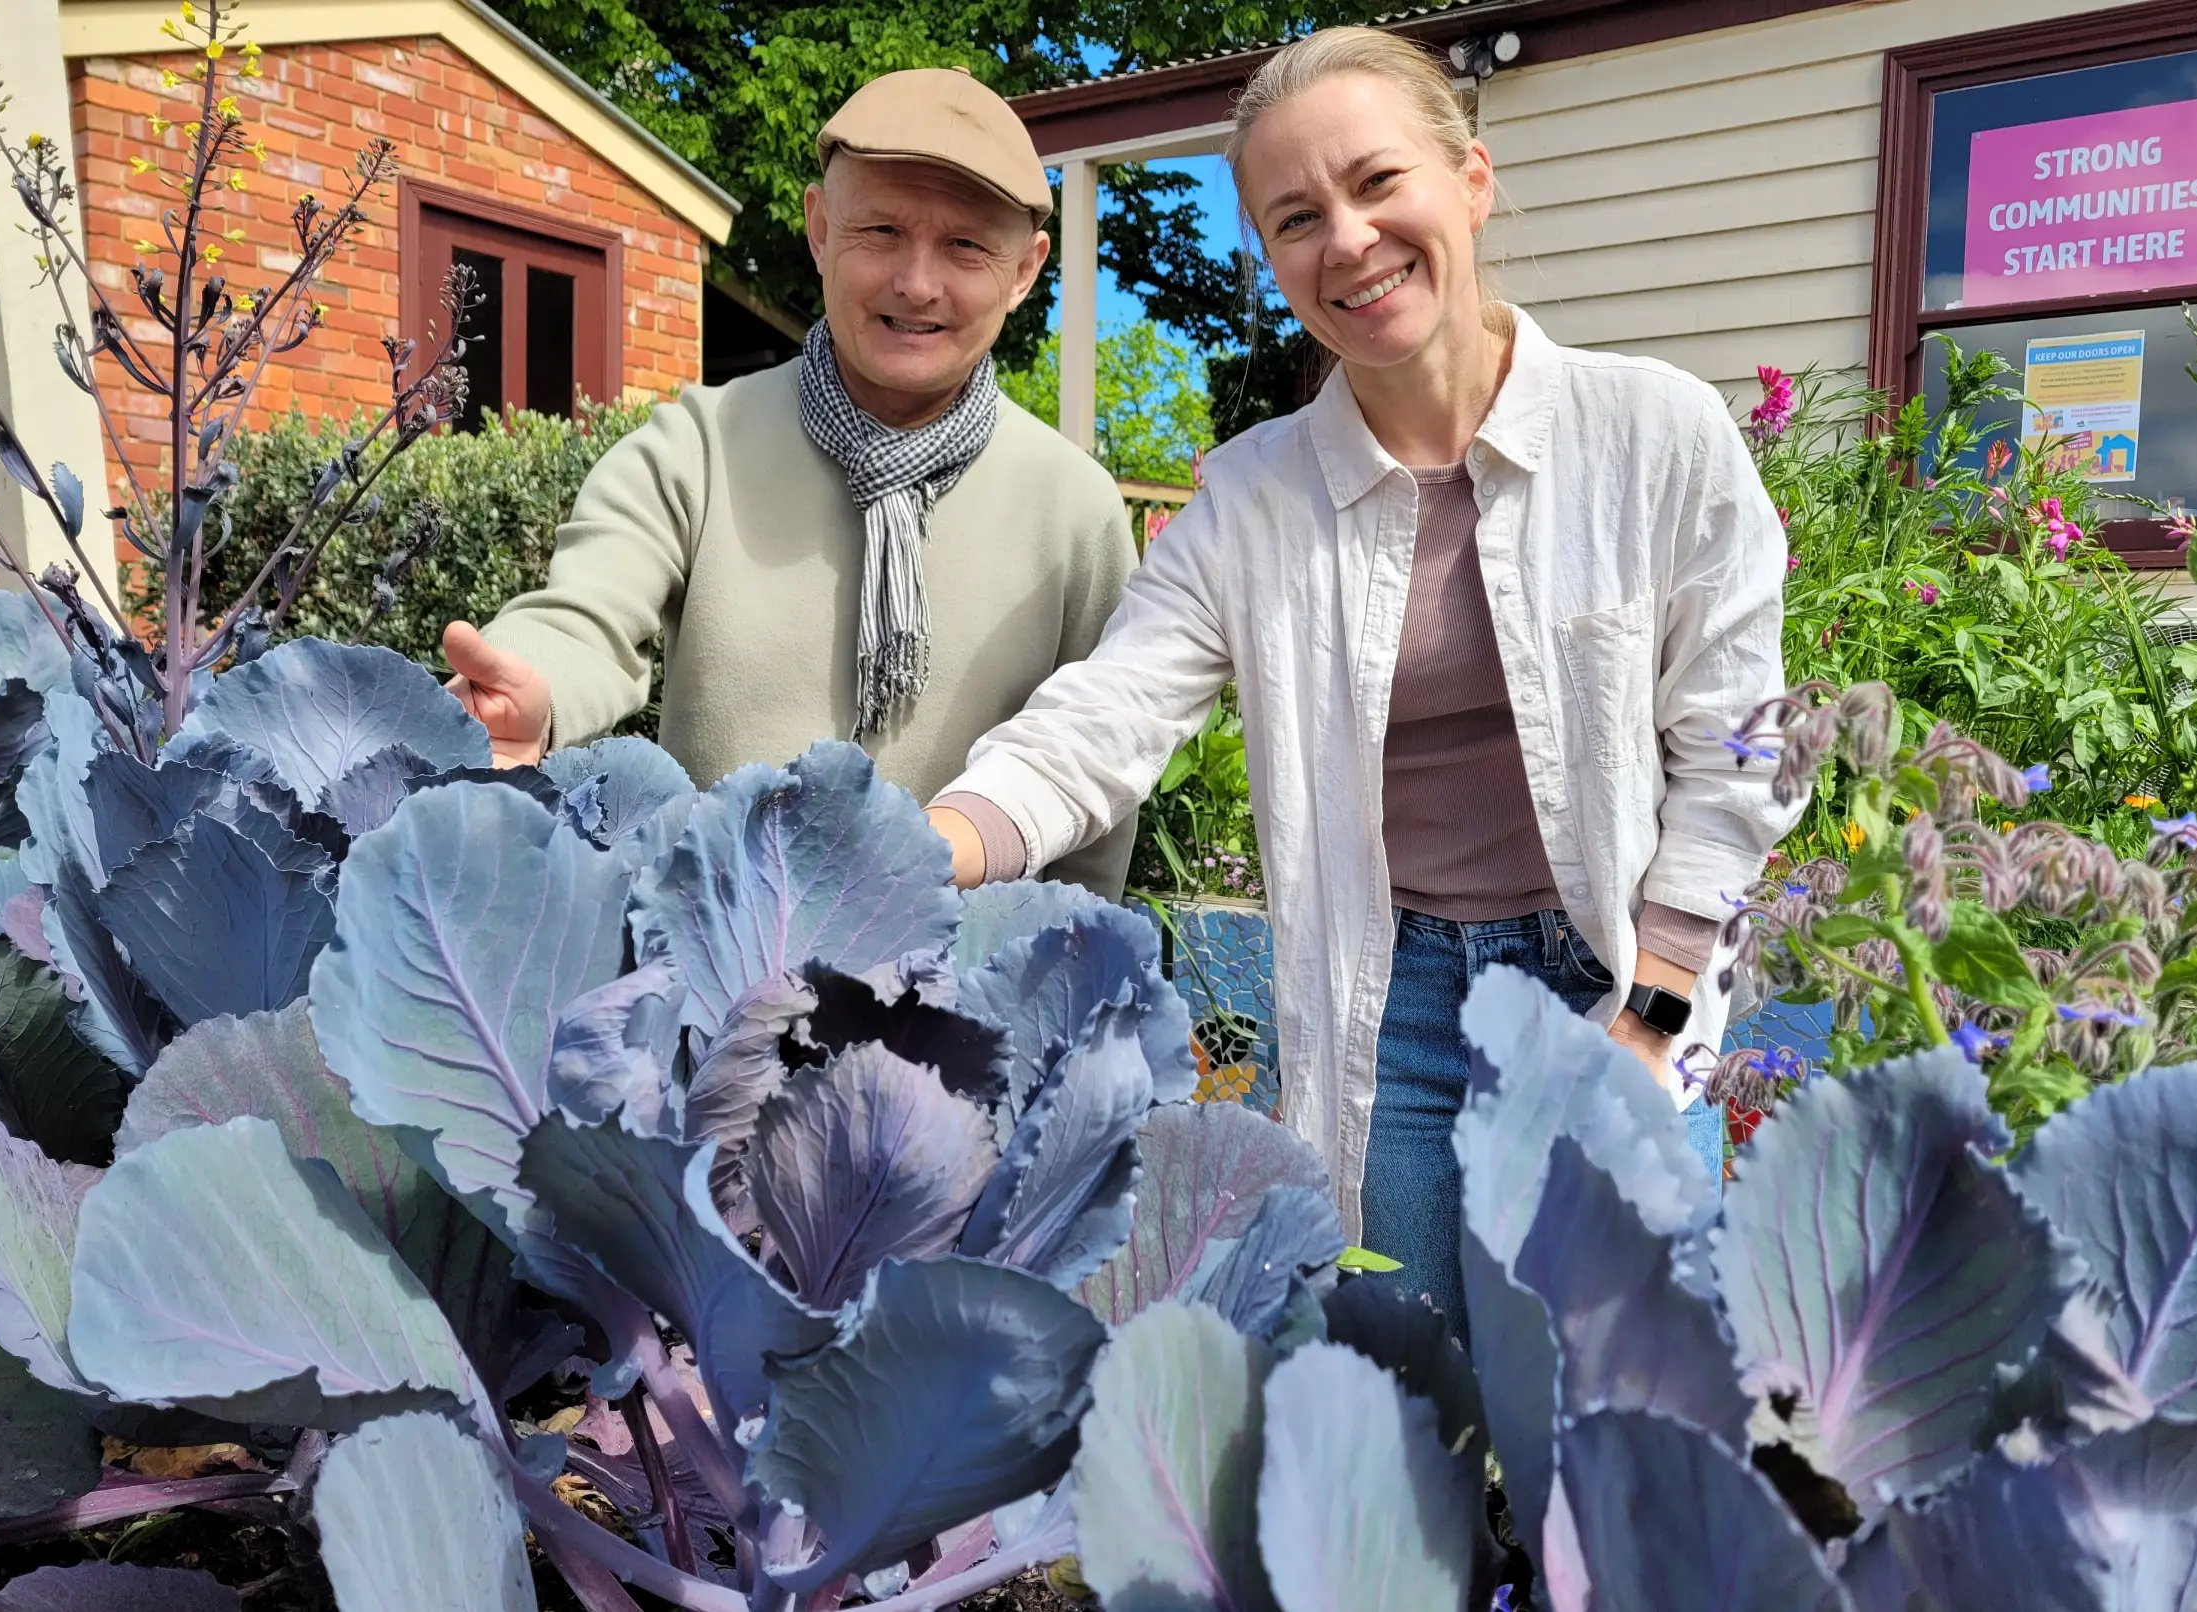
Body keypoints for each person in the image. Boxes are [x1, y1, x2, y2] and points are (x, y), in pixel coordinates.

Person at [925, 27, 1790, 1327]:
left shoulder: (1655, 437)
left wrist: (1656, 1012)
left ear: (1471, 182)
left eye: (1376, 182)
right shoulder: (1251, 501)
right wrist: (931, 843)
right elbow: (1103, 719)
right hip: (1392, 1001)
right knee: (1406, 1366)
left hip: (1618, 967)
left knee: (1611, 1380)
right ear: (1271, 262)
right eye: (1293, 218)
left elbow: (1735, 751)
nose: (1346, 238)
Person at [442, 67, 1138, 894]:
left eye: (965, 246)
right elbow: (582, 616)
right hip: (709, 967)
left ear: (1025, 271)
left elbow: (1095, 797)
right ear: (817, 228)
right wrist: (528, 685)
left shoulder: (1076, 510)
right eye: (880, 230)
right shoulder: (698, 445)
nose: (917, 282)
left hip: (955, 1006)